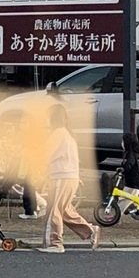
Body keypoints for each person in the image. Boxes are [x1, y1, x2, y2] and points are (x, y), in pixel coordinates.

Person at [38, 104, 100, 253]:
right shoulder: (67, 134)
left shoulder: (57, 134)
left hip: (61, 177)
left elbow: (45, 155)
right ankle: (90, 230)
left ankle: (55, 243)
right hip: (70, 177)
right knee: (64, 210)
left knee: (53, 211)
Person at [116, 132, 139, 218]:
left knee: (124, 199)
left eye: (123, 141)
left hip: (133, 183)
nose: (122, 143)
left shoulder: (130, 154)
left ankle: (116, 216)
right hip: (134, 182)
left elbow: (129, 164)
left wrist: (124, 169)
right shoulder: (129, 153)